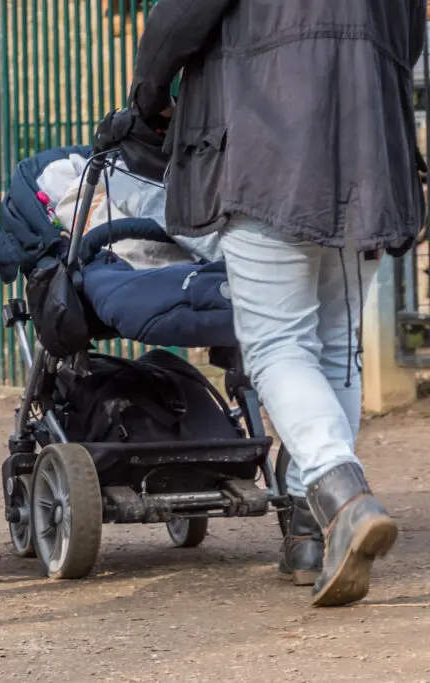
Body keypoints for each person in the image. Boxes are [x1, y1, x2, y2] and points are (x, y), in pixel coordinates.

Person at [128, 0, 427, 606]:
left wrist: (147, 94)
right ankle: (310, 536)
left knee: (278, 346)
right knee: (337, 341)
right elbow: (410, 32)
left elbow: (180, 19)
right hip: (368, 145)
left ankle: (341, 495)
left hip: (267, 144)